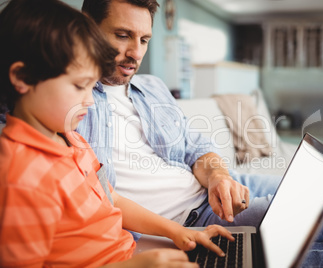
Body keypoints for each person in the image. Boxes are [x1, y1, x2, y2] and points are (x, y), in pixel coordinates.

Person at [75, 0, 323, 266]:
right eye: (122, 35)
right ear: (87, 29)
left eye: (144, 39)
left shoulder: (152, 88)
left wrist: (218, 175)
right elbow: (100, 196)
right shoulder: (73, 102)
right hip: (195, 221)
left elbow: (195, 148)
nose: (136, 52)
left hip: (221, 191)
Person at [0, 0, 235, 267]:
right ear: (21, 77)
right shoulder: (19, 176)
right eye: (79, 86)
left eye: (92, 86)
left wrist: (177, 232)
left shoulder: (72, 140)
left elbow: (112, 199)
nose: (90, 101)